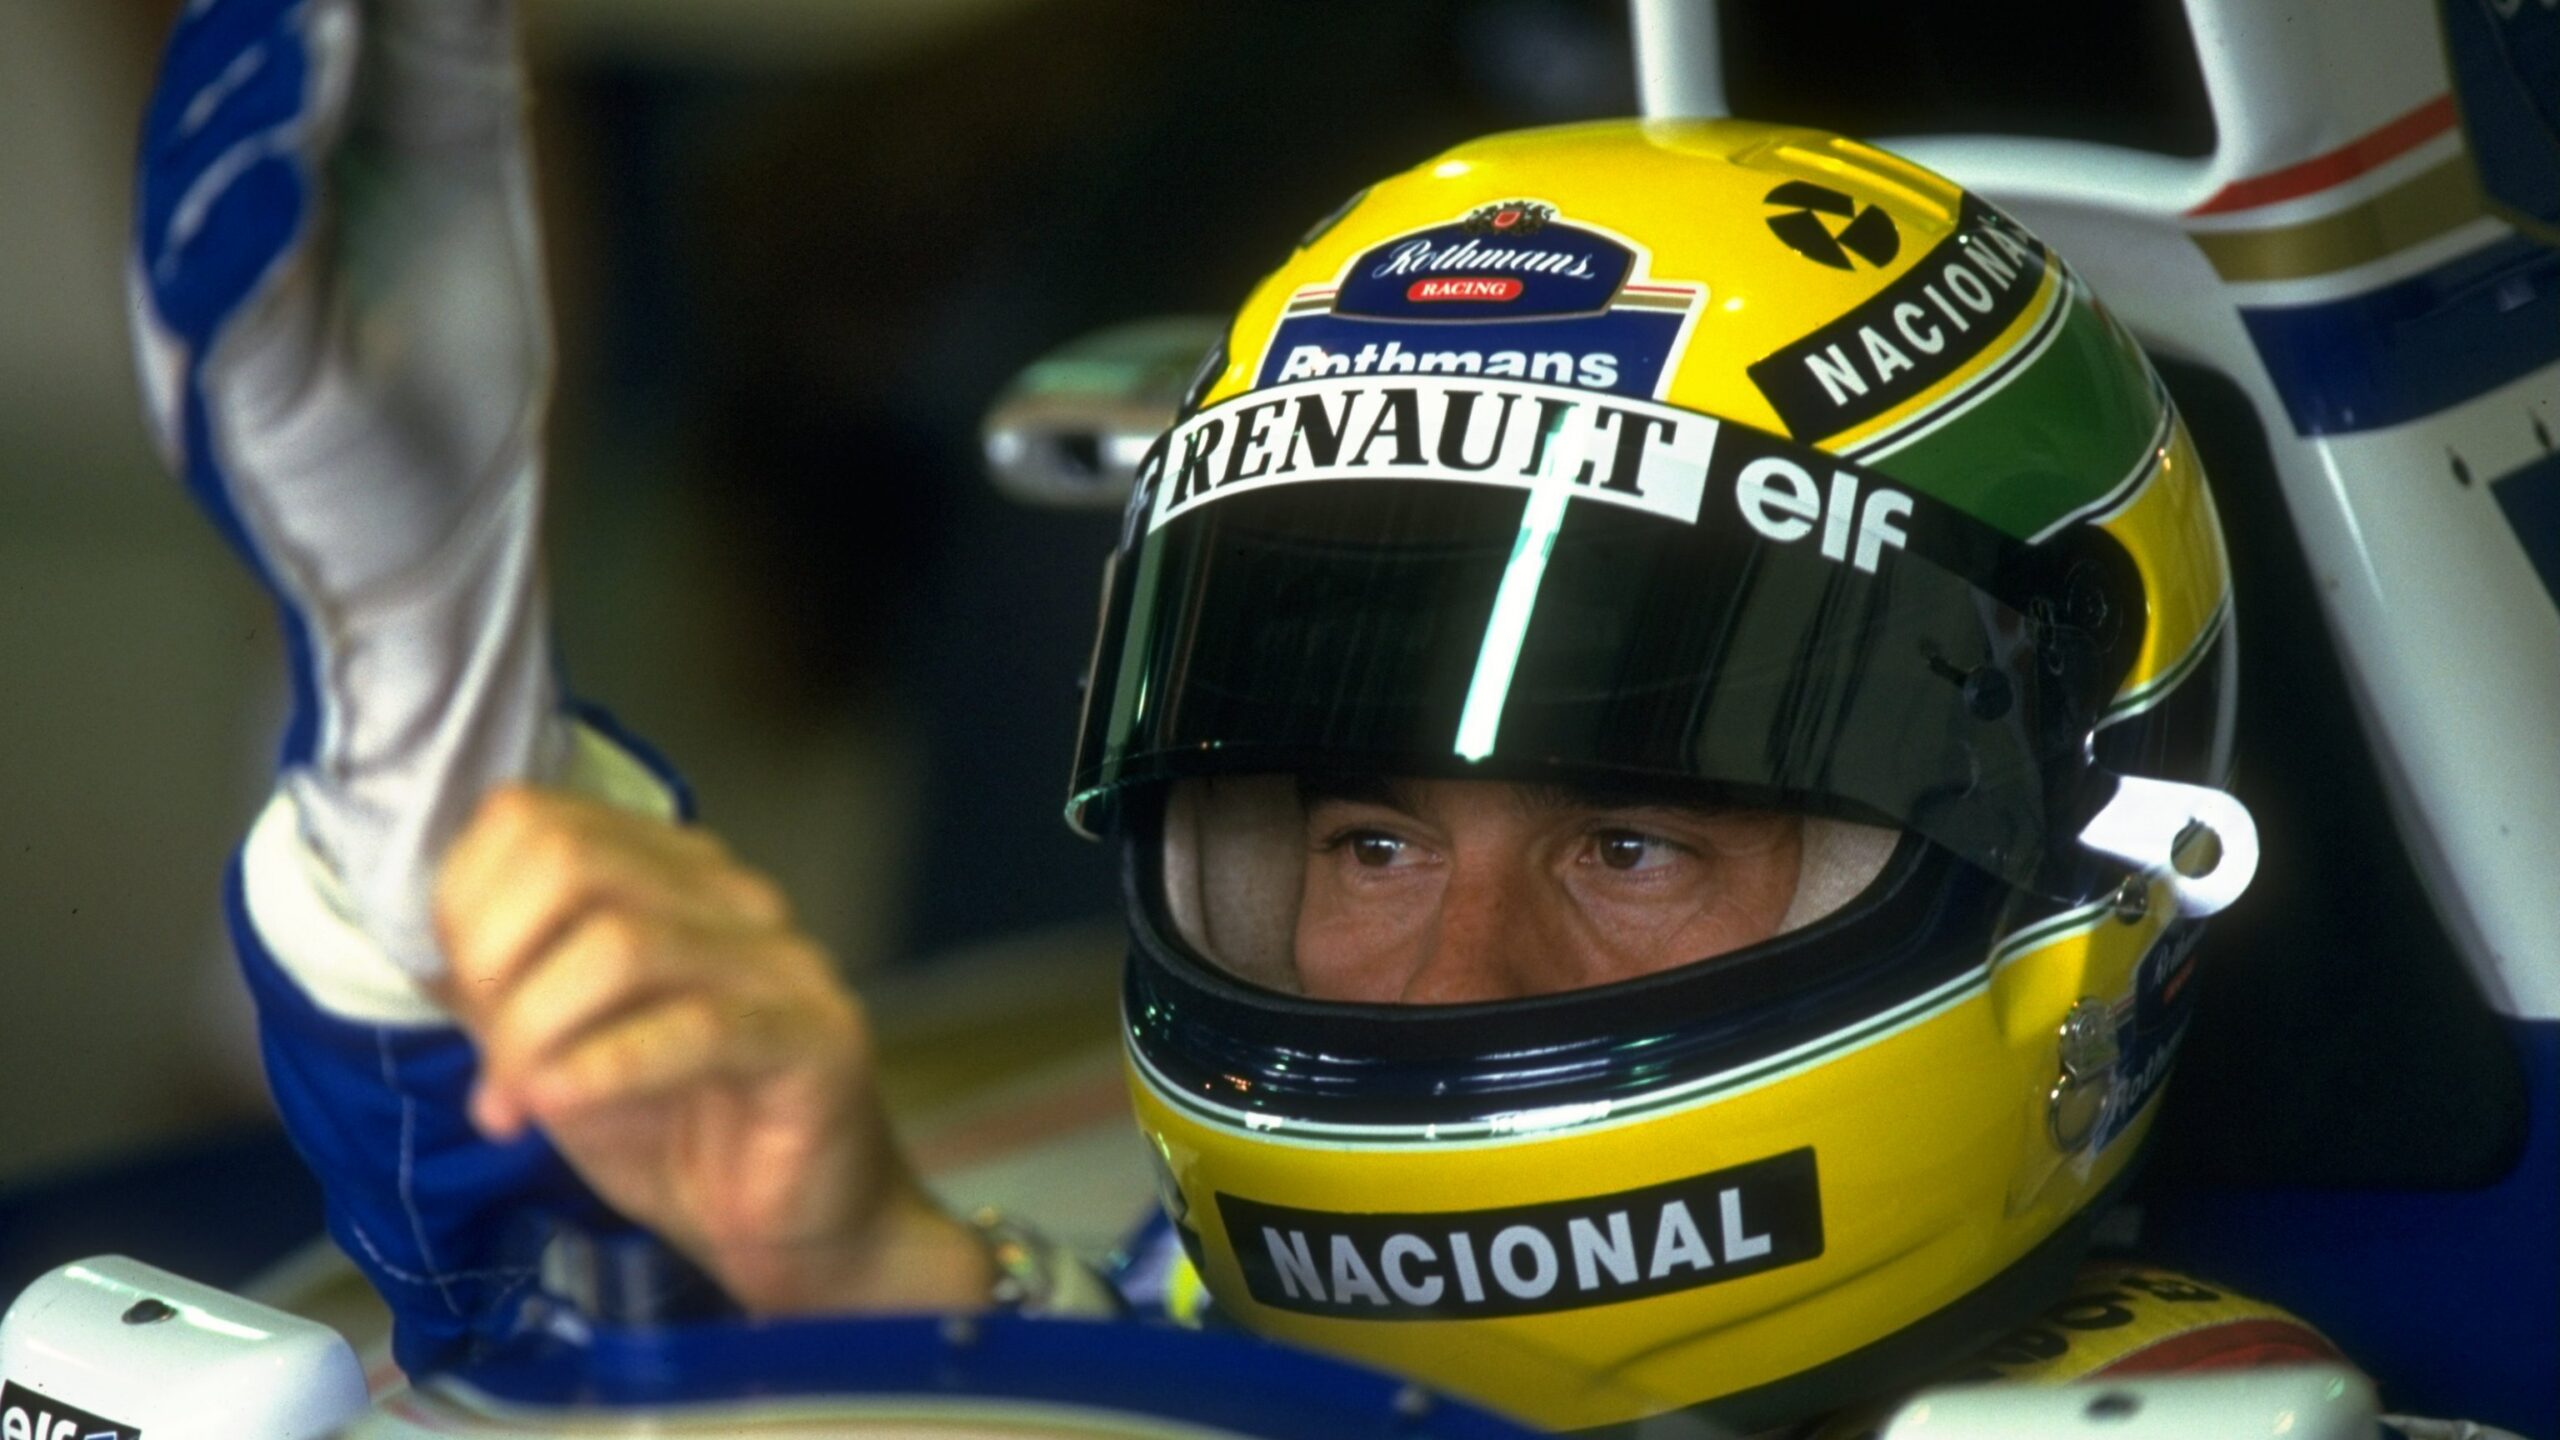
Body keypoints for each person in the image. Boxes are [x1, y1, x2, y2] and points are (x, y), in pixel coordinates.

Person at [133, 0, 2401, 1433]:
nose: (1447, 972)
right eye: (1365, 841)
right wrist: (416, 710)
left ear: (2075, 849)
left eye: (1633, 843)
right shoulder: (1152, 1309)